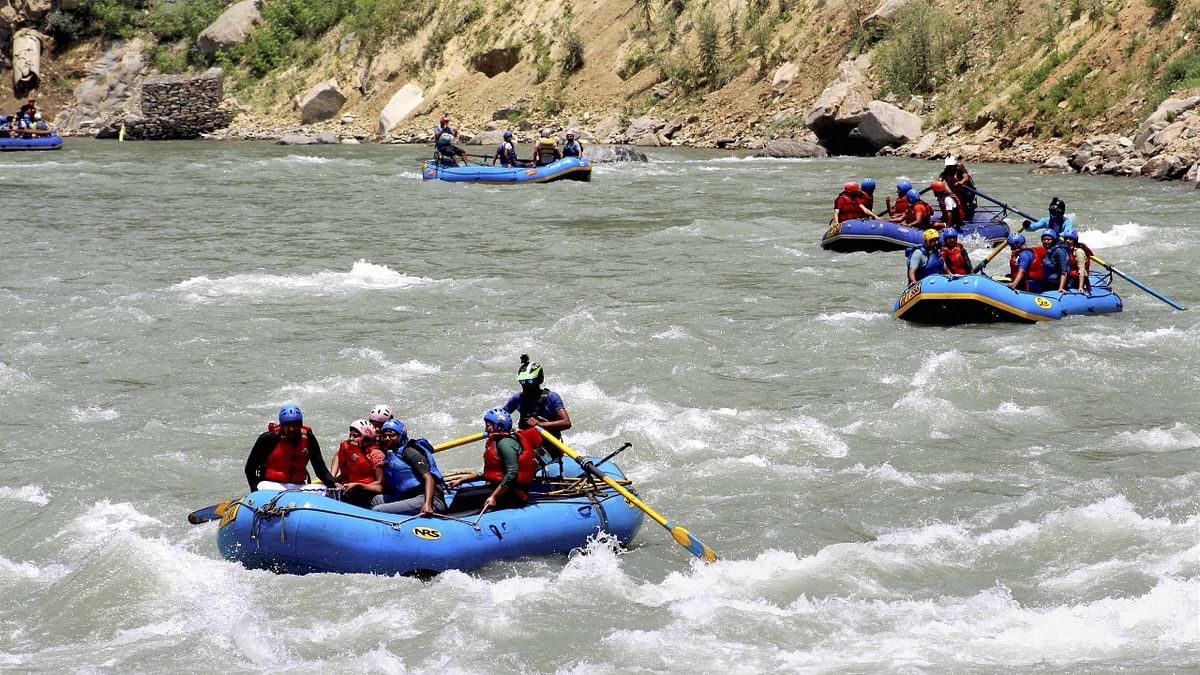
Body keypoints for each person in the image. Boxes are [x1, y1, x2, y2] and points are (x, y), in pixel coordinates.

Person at [445, 408, 541, 511]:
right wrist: (461, 480)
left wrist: (494, 497)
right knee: (462, 493)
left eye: (488, 426)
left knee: (463, 498)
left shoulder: (505, 444)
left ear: (499, 427)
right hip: (504, 488)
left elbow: (512, 473)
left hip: (515, 493)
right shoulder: (499, 441)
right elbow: (490, 471)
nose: (486, 429)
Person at [244, 405, 339, 492]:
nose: (292, 429)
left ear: (300, 424)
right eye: (288, 425)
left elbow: (320, 470)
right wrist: (254, 490)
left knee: (325, 489)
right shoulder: (268, 439)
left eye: (295, 425)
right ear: (282, 425)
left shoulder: (308, 438)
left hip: (298, 486)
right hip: (271, 485)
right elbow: (250, 469)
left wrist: (335, 485)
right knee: (263, 486)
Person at [371, 419, 448, 515]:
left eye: (391, 435)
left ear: (401, 436)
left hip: (429, 498)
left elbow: (429, 478)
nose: (387, 438)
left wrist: (427, 504)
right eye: (385, 436)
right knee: (376, 500)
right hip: (409, 497)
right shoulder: (392, 454)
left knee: (378, 510)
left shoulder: (410, 451)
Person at [503, 354, 571, 451]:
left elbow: (566, 422)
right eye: (522, 381)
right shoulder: (517, 398)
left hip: (549, 445)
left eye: (530, 381)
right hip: (525, 443)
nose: (526, 385)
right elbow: (501, 416)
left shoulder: (552, 397)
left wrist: (539, 425)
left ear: (539, 379)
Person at [331, 419, 385, 508]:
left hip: (365, 493)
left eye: (355, 436)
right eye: (351, 435)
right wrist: (333, 478)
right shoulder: (349, 446)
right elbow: (338, 456)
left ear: (367, 438)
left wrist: (359, 486)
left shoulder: (376, 454)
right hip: (346, 487)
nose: (351, 438)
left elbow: (380, 486)